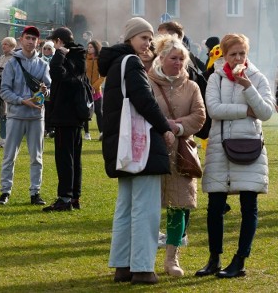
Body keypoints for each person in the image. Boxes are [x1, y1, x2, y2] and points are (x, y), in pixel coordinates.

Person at [98, 17, 175, 284]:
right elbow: (144, 100)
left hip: (122, 145)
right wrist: (165, 127)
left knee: (126, 206)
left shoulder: (116, 64)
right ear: (130, 39)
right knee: (145, 207)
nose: (148, 43)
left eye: (150, 38)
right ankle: (142, 268)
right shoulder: (131, 63)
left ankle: (123, 265)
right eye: (143, 37)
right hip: (140, 145)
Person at [195, 33, 273, 279]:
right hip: (219, 148)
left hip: (249, 148)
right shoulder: (215, 79)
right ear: (224, 55)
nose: (238, 58)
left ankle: (240, 260)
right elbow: (214, 110)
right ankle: (214, 258)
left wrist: (247, 87)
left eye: (242, 53)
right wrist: (246, 110)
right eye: (233, 54)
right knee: (215, 206)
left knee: (249, 205)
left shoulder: (257, 78)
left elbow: (266, 112)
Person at [147, 34, 206, 277]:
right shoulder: (147, 82)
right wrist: (162, 127)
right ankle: (144, 258)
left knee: (178, 208)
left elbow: (200, 116)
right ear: (161, 58)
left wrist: (177, 127)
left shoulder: (191, 86)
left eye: (182, 59)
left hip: (181, 155)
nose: (179, 63)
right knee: (147, 207)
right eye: (174, 58)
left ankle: (172, 259)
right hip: (153, 152)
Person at [0, 26, 51, 206]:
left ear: (38, 42)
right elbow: (4, 91)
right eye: (27, 38)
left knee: (37, 157)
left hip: (36, 117)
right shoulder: (12, 63)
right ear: (21, 40)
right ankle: (5, 191)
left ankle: (35, 192)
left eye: (34, 39)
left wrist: (45, 91)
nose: (30, 41)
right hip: (15, 116)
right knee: (9, 156)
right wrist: (22, 101)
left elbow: (49, 90)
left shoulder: (43, 64)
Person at [42, 27, 86, 212]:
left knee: (65, 157)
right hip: (75, 114)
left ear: (59, 41)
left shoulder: (70, 55)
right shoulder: (79, 55)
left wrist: (59, 54)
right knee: (74, 157)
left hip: (65, 114)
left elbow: (57, 73)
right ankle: (74, 196)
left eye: (55, 42)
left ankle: (65, 198)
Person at [0, 37, 16, 148]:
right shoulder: (2, 57)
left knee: (8, 115)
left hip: (10, 89)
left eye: (6, 44)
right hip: (1, 88)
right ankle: (3, 137)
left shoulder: (14, 58)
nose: (3, 46)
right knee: (2, 114)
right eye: (3, 44)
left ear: (12, 46)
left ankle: (8, 139)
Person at [84, 40, 104, 141]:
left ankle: (102, 132)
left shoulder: (100, 60)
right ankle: (87, 133)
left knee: (99, 112)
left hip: (97, 91)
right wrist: (87, 86)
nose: (89, 49)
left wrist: (94, 87)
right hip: (85, 89)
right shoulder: (84, 59)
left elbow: (103, 76)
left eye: (91, 47)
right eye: (88, 47)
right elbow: (82, 74)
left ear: (96, 48)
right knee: (86, 112)